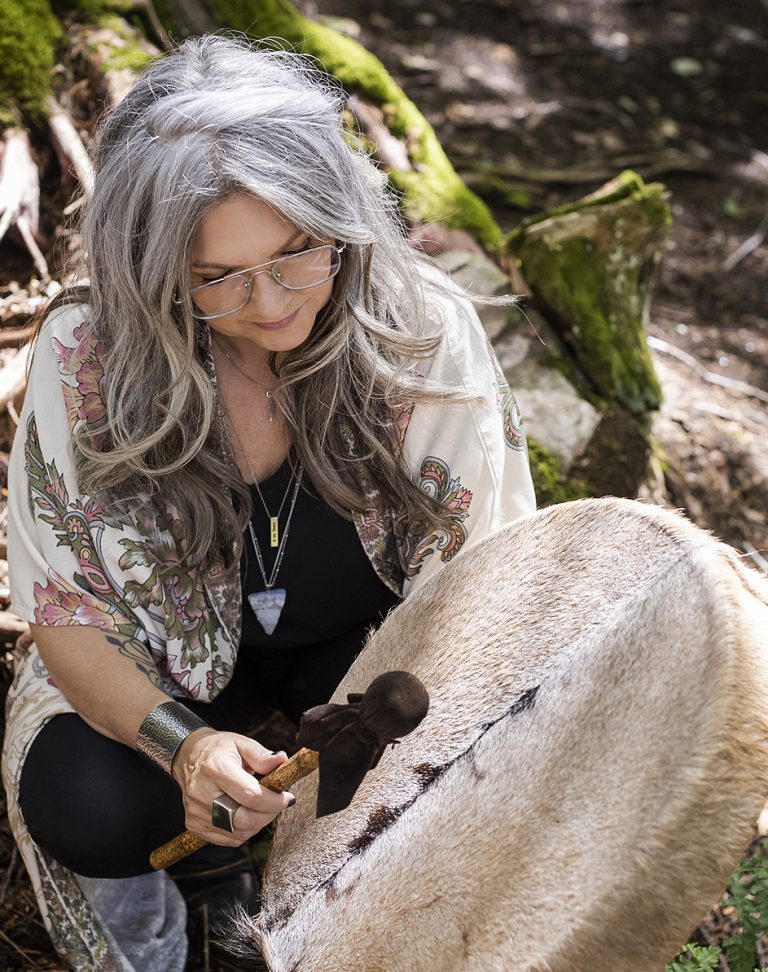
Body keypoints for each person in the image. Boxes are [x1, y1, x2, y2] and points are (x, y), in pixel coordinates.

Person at [1, 33, 536, 972]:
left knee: (423, 780)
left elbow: (480, 594)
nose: (277, 301)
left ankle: (296, 897)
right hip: (162, 666)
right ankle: (190, 889)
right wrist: (184, 748)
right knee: (85, 802)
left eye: (300, 252)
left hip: (361, 663)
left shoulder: (418, 332)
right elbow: (69, 616)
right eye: (220, 278)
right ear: (151, 271)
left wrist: (391, 716)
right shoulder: (84, 355)